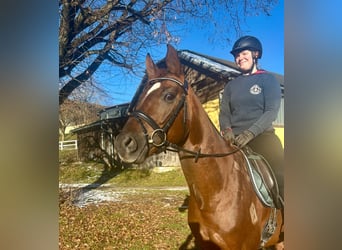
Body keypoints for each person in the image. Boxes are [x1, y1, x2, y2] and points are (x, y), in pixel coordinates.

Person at [219, 35, 284, 207]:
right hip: (234, 140)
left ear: (255, 54)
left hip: (262, 137)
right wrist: (227, 131)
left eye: (243, 53)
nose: (239, 58)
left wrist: (251, 132)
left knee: (281, 173)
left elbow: (271, 111)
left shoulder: (268, 80)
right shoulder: (231, 86)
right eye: (237, 55)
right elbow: (224, 113)